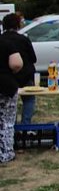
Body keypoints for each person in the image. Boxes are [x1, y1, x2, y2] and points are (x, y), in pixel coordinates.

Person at [2, 13, 37, 124]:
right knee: (29, 100)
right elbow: (33, 58)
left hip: (7, 78)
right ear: (18, 25)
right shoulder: (23, 39)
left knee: (9, 103)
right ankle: (26, 125)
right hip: (25, 75)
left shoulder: (2, 40)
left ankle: (12, 124)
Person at [0, 36, 23, 164]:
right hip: (5, 85)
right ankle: (5, 153)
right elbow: (16, 64)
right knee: (6, 121)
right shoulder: (6, 43)